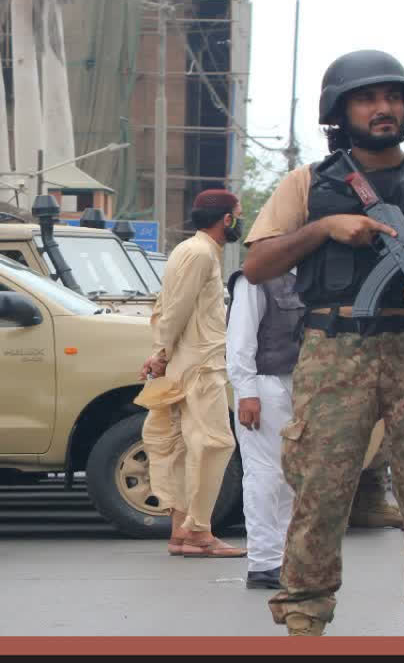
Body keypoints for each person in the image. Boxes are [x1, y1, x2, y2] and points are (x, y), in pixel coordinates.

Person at [242, 49, 404, 636]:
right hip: (335, 350)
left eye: (393, 98)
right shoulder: (306, 184)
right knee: (320, 494)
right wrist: (325, 228)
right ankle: (304, 619)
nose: (384, 109)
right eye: (368, 98)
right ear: (339, 110)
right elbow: (256, 265)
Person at [138, 189, 246, 559]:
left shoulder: (190, 251)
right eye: (239, 214)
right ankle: (199, 532)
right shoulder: (199, 253)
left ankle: (180, 533)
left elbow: (166, 306)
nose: (240, 221)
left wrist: (161, 354)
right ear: (227, 220)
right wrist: (159, 353)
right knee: (214, 444)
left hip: (188, 364)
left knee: (182, 447)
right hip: (199, 366)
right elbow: (176, 309)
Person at [226, 268, 299, 589]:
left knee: (289, 476)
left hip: (296, 385)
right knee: (264, 473)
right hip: (264, 385)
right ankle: (263, 562)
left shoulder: (306, 275)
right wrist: (246, 392)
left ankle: (282, 556)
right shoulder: (255, 277)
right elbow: (239, 339)